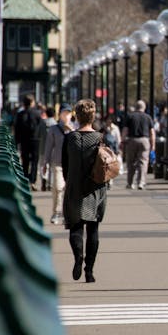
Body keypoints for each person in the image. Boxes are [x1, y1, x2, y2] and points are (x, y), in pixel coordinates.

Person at [62, 100, 108, 283]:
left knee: (75, 226)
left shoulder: (69, 138)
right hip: (95, 188)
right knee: (93, 228)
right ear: (93, 116)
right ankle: (89, 271)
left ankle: (77, 257)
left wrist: (69, 180)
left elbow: (64, 165)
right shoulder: (99, 137)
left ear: (77, 116)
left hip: (74, 187)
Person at [42, 104, 73, 225]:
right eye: (64, 113)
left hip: (71, 164)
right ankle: (56, 212)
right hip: (58, 163)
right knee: (59, 187)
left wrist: (70, 130)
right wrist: (45, 163)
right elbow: (49, 147)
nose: (66, 116)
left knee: (69, 190)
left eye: (68, 113)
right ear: (59, 114)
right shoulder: (53, 129)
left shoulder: (75, 128)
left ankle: (66, 214)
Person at [121, 100, 155, 190]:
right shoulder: (148, 117)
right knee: (143, 162)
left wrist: (122, 141)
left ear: (136, 107)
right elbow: (152, 132)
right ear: (144, 108)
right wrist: (153, 145)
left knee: (130, 162)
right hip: (144, 140)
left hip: (131, 140)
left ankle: (130, 183)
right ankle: (141, 182)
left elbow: (125, 130)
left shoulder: (130, 116)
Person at [14, 94, 43, 190]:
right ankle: (33, 180)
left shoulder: (20, 114)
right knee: (35, 161)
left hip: (24, 140)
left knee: (25, 160)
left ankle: (25, 179)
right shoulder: (37, 113)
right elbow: (40, 126)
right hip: (35, 140)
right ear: (32, 103)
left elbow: (16, 129)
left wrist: (17, 141)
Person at [103, 115, 122, 188]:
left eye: (110, 120)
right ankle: (107, 179)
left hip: (113, 149)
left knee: (111, 165)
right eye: (107, 119)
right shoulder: (103, 128)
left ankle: (110, 180)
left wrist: (119, 149)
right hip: (105, 149)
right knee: (105, 165)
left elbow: (118, 139)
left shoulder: (115, 128)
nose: (109, 121)